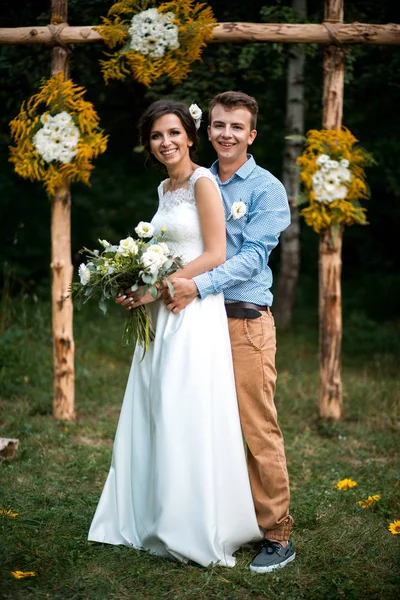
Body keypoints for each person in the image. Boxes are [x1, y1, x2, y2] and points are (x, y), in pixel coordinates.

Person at [87, 99, 262, 568]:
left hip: (192, 309)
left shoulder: (205, 182)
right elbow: (165, 249)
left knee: (184, 404)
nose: (165, 142)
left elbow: (217, 252)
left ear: (191, 136)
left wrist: (158, 288)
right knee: (156, 404)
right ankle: (153, 513)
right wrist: (138, 283)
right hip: (165, 309)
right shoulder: (166, 187)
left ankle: (193, 523)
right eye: (156, 136)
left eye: (173, 133)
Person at [156, 91, 295, 573]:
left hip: (243, 320)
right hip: (196, 325)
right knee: (206, 424)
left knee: (256, 425)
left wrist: (195, 284)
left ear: (252, 135)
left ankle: (277, 533)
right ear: (207, 130)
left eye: (237, 127)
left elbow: (254, 257)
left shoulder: (268, 189)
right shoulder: (195, 180)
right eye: (218, 125)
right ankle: (219, 519)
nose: (226, 134)